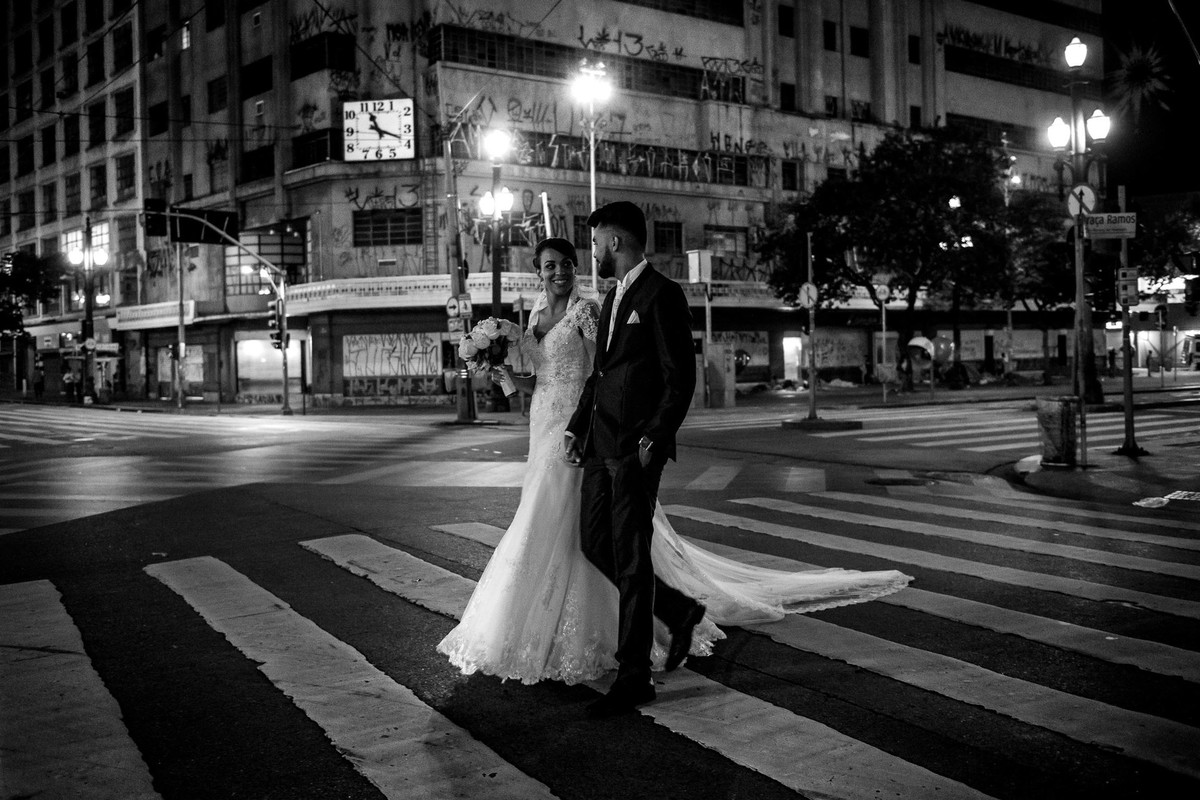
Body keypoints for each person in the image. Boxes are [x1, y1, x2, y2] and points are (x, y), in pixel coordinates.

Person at [437, 235, 912, 707]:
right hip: (547, 426)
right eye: (548, 266)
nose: (558, 272)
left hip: (590, 430)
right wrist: (499, 371)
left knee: (595, 532)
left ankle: (631, 640)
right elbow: (538, 381)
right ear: (537, 272)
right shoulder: (535, 318)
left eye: (566, 263)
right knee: (563, 529)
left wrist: (618, 432)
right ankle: (641, 618)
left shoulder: (591, 311)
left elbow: (600, 375)